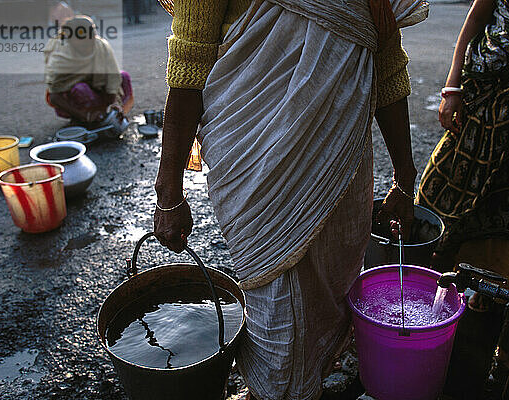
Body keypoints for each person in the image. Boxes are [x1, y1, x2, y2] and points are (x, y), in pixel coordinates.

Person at [154, 0, 428, 399]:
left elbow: (385, 63)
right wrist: (169, 192)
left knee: (327, 289)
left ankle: (301, 382)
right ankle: (277, 390)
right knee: (274, 297)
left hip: (339, 168)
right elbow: (187, 70)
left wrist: (405, 179)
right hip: (256, 169)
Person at [415, 0, 509, 397]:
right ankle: (424, 317)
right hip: (491, 94)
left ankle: (493, 345)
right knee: (439, 200)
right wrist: (453, 86)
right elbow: (477, 15)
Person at [44, 16, 134, 124]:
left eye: (92, 36)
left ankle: (113, 115)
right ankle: (84, 119)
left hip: (98, 91)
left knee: (123, 76)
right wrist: (83, 115)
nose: (89, 41)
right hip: (75, 100)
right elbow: (54, 97)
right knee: (81, 89)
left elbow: (113, 79)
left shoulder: (101, 45)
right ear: (70, 39)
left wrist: (115, 103)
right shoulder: (59, 56)